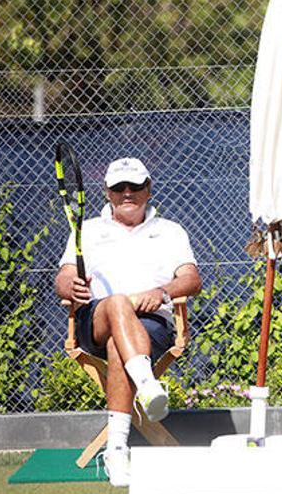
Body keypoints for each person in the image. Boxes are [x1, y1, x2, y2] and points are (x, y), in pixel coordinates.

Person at [54, 157, 201, 487]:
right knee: (118, 302)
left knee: (118, 347)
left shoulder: (170, 231)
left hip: (153, 325)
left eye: (134, 186)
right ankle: (147, 384)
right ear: (107, 192)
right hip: (96, 320)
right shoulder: (87, 230)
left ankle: (117, 448)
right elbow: (63, 277)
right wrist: (69, 286)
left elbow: (191, 279)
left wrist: (163, 292)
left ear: (148, 189)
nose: (127, 193)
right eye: (119, 187)